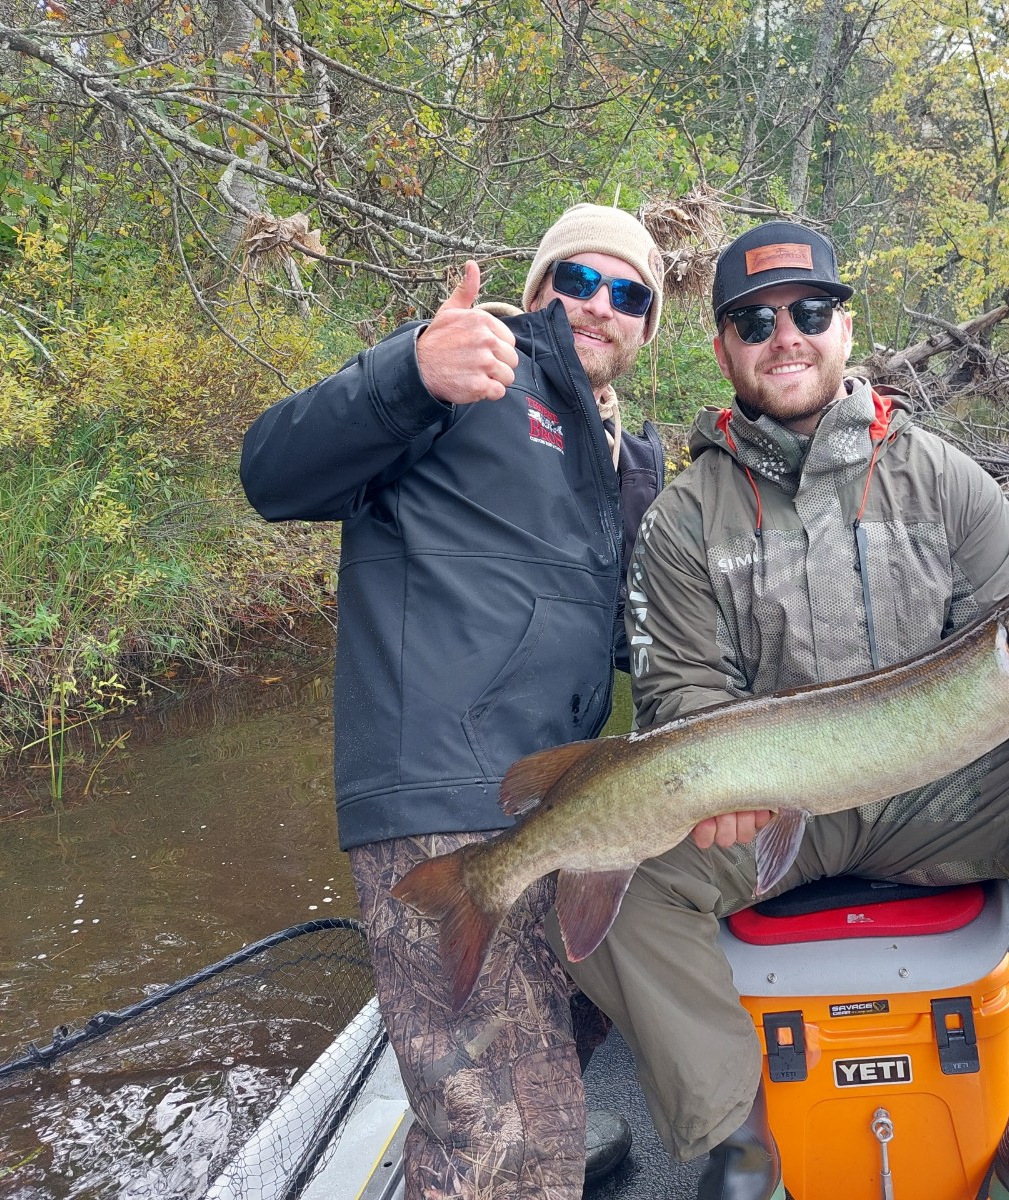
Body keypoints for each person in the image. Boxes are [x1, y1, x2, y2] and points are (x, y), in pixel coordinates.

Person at [549, 221, 1009, 1200]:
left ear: (844, 329)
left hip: (944, 791)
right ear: (726, 347)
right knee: (600, 868)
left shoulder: (942, 479)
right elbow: (681, 696)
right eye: (755, 320)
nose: (787, 335)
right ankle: (740, 1145)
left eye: (809, 312)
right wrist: (718, 795)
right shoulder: (684, 517)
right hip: (776, 812)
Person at [240, 203, 668, 1199]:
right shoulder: (461, 369)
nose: (599, 306)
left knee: (571, 1045)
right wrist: (406, 375)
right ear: (538, 292)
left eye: (627, 293)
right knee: (508, 1149)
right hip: (441, 804)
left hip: (555, 807)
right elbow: (271, 472)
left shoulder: (631, 462)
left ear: (649, 324)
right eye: (578, 281)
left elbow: (638, 648)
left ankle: (556, 1099)